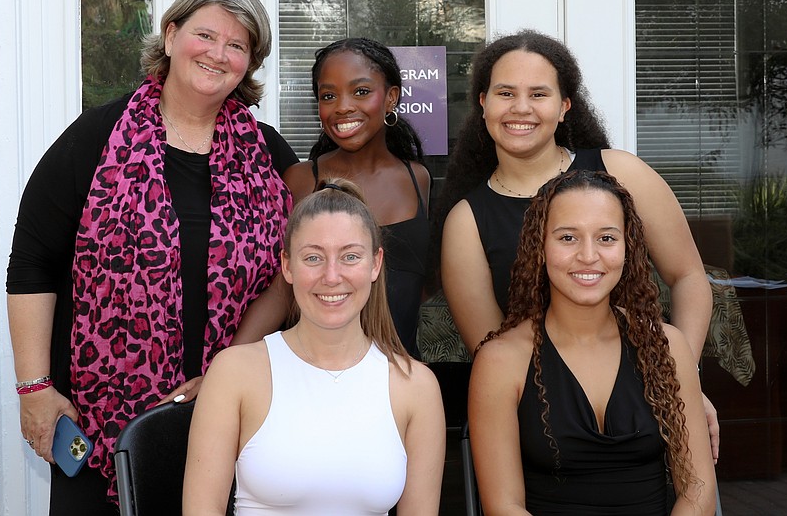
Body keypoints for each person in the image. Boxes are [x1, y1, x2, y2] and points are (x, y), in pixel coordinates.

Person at [5, 0, 294, 514]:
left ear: (251, 63)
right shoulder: (95, 138)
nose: (217, 54)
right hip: (96, 425)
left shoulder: (269, 156)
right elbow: (32, 266)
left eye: (237, 45)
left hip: (231, 417)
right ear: (169, 35)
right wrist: (34, 389)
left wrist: (223, 371)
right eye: (205, 35)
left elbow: (292, 272)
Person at [435, 30, 718, 458]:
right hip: (548, 420)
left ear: (565, 105)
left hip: (650, 396)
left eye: (539, 93)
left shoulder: (622, 173)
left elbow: (689, 276)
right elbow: (492, 349)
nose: (521, 108)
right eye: (505, 92)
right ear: (482, 102)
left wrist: (682, 381)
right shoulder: (466, 221)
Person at [183, 178, 446, 516]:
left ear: (376, 264)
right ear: (287, 266)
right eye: (313, 258)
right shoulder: (234, 372)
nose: (332, 276)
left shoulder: (416, 387)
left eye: (350, 256)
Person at [469, 170, 717, 515]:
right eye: (568, 238)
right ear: (539, 246)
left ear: (627, 247)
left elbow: (697, 491)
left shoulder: (667, 346)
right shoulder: (501, 360)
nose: (589, 255)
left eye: (606, 238)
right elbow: (503, 506)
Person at [284, 37, 431, 358]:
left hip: (401, 374)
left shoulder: (418, 179)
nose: (343, 106)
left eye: (361, 91)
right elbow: (281, 289)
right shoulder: (299, 180)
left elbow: (424, 286)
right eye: (328, 95)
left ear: (391, 98)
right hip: (315, 373)